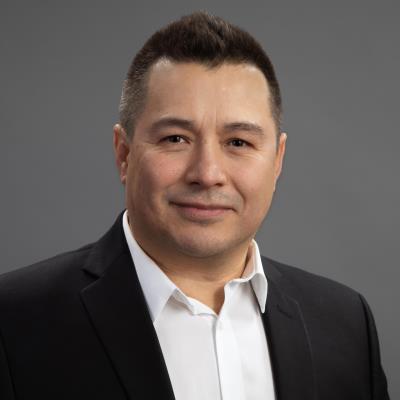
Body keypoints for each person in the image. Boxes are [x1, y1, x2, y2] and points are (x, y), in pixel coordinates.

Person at [0, 11, 390, 400]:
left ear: (277, 161)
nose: (207, 173)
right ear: (124, 154)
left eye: (238, 142)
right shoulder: (14, 322)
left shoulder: (346, 324)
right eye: (175, 139)